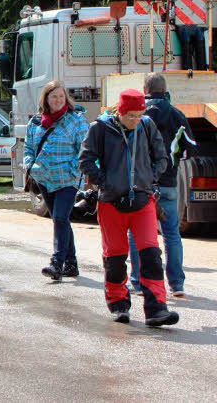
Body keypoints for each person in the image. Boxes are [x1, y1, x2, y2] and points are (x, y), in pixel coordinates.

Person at [78, 88, 179, 327]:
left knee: (151, 255)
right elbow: (85, 160)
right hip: (111, 203)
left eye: (139, 114)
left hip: (143, 201)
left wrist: (148, 179)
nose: (136, 120)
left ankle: (157, 309)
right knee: (115, 258)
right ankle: (119, 305)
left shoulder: (147, 125)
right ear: (120, 112)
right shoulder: (100, 128)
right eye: (131, 115)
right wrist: (106, 181)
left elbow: (162, 157)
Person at [129, 73, 196, 298]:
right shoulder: (177, 114)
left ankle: (137, 282)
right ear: (165, 89)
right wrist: (173, 161)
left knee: (137, 233)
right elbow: (190, 148)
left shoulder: (139, 115)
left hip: (143, 183)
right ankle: (177, 284)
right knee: (172, 235)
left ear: (145, 89)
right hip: (169, 183)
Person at [23, 81, 87, 279]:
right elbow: (28, 148)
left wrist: (72, 171)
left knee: (60, 218)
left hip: (67, 180)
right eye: (54, 97)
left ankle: (56, 264)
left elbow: (84, 149)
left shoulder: (75, 121)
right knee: (61, 220)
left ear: (66, 98)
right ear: (46, 100)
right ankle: (72, 263)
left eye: (61, 96)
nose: (58, 100)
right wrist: (30, 165)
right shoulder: (35, 122)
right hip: (44, 179)